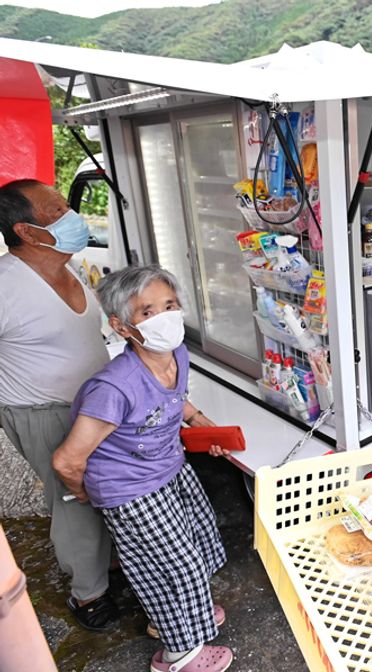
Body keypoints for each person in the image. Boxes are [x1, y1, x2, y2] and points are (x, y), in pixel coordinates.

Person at [51, 264, 234, 672]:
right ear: (121, 326)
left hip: (169, 469)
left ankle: (181, 616)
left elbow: (173, 400)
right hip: (130, 490)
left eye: (169, 304)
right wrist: (89, 494)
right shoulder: (113, 388)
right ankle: (178, 654)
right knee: (175, 566)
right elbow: (67, 459)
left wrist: (200, 421)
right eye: (148, 312)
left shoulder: (177, 354)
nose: (165, 316)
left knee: (195, 548)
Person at [0, 179, 118, 631]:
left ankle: (107, 565)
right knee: (72, 499)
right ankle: (88, 594)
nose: (72, 217)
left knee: (105, 489)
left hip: (95, 403)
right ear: (27, 231)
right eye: (56, 210)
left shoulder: (71, 268)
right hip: (41, 409)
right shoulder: (6, 286)